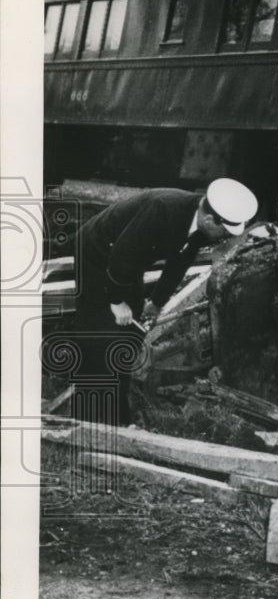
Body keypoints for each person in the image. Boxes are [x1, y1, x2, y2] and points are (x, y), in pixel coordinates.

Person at [72, 178, 258, 425]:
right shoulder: (163, 209)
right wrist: (116, 301)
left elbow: (180, 261)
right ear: (210, 219)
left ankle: (117, 416)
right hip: (97, 254)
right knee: (101, 332)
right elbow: (122, 253)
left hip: (128, 262)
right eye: (224, 231)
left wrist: (157, 303)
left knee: (129, 333)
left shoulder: (201, 224)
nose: (224, 237)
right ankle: (87, 417)